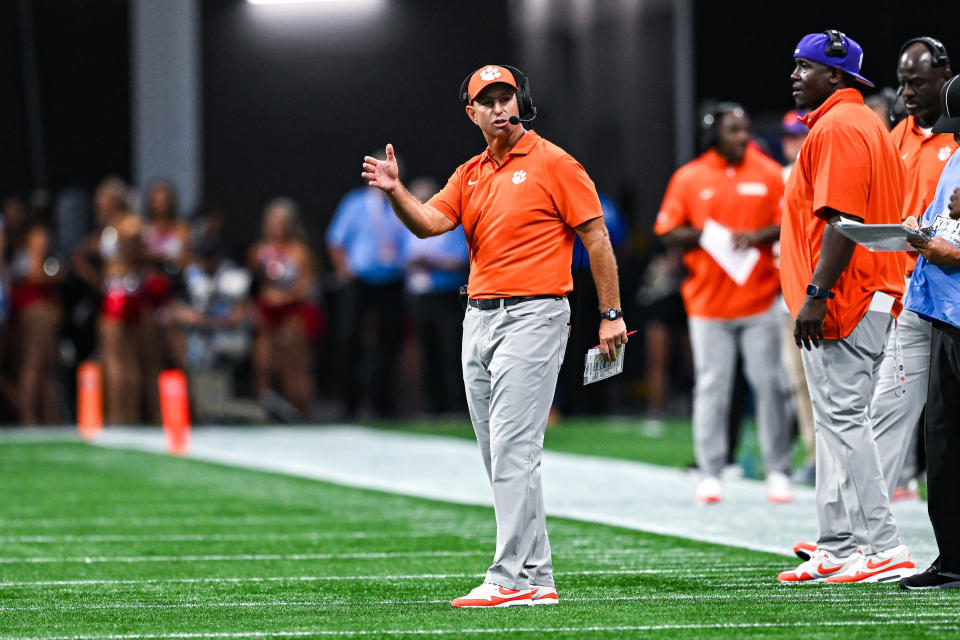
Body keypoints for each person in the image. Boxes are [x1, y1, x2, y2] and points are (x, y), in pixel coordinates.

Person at [361, 64, 627, 607]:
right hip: (478, 317)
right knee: (500, 455)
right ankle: (537, 577)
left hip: (535, 315)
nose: (501, 108)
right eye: (489, 100)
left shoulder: (555, 162)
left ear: (519, 103)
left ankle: (507, 576)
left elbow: (596, 238)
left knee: (512, 450)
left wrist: (611, 313)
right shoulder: (471, 173)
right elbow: (431, 224)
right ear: (472, 113)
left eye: (508, 97)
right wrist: (394, 192)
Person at [776, 30, 916, 584]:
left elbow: (842, 222)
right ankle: (836, 544)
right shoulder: (864, 124)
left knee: (843, 421)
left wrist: (816, 294)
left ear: (834, 76)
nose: (793, 75)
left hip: (845, 296)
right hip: (865, 290)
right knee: (838, 425)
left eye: (803, 66)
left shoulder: (838, 127)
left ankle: (882, 544)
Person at [654, 102, 790, 504]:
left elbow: (788, 221)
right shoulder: (689, 177)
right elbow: (666, 229)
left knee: (770, 386)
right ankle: (711, 470)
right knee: (712, 388)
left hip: (759, 297)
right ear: (714, 134)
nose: (743, 137)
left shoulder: (767, 172)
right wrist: (705, 235)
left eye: (745, 129)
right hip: (708, 304)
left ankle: (778, 470)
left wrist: (755, 236)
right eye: (734, 130)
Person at [882, 38, 955, 501]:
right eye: (903, 82)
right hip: (916, 291)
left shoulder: (955, 132)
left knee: (946, 428)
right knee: (888, 407)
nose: (907, 93)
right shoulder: (897, 136)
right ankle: (850, 533)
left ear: (944, 78)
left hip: (954, 294)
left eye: (917, 82)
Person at [899, 75, 960, 590]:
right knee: (942, 444)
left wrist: (952, 252)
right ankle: (954, 556)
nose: (955, 138)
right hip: (942, 313)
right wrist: (922, 232)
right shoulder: (955, 156)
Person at [326, 163, 410, 419]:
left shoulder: (402, 201)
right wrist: (345, 271)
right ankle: (350, 404)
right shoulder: (356, 203)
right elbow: (335, 239)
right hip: (360, 282)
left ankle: (384, 404)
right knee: (351, 340)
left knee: (390, 342)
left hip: (393, 281)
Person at [399, 176, 470, 416]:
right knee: (426, 352)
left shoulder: (450, 221)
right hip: (420, 296)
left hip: (446, 295)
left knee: (451, 351)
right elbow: (398, 257)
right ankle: (433, 406)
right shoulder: (408, 224)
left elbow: (462, 259)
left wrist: (434, 262)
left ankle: (455, 405)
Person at [248, 198, 317, 418]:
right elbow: (252, 283)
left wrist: (285, 296)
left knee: (293, 361)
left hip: (292, 312)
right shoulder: (258, 251)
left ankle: (298, 408)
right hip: (267, 311)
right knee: (263, 361)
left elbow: (307, 286)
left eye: (280, 221)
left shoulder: (299, 252)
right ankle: (263, 408)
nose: (275, 226)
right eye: (272, 221)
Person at [778, 110, 817, 486]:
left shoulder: (820, 172)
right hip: (784, 288)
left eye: (799, 134)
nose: (793, 142)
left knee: (827, 378)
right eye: (788, 136)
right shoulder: (777, 176)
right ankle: (813, 452)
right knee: (797, 380)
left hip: (816, 289)